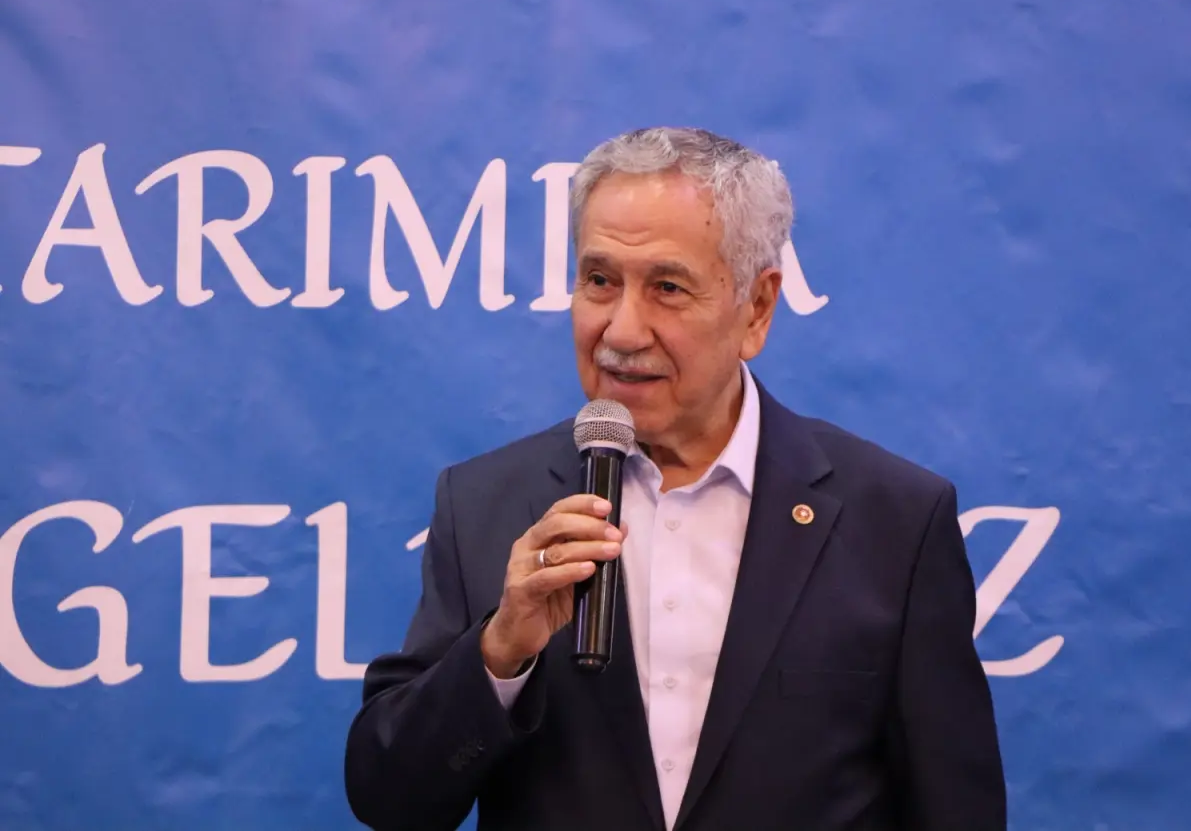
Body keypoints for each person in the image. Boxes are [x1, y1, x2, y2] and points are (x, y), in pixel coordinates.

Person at [344, 127, 1006, 831]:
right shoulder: (485, 504)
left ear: (756, 308)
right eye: (600, 281)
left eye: (667, 287)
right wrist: (499, 652)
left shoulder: (894, 521)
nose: (622, 331)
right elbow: (392, 798)